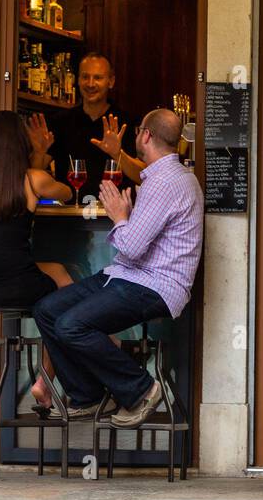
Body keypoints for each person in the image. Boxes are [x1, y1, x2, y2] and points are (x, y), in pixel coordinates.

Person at [33, 109, 202, 428]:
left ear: (146, 135)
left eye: (139, 130)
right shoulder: (165, 176)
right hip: (129, 276)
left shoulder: (165, 183)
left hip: (154, 285)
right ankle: (87, 395)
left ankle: (141, 389)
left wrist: (119, 215)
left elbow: (133, 246)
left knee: (71, 325)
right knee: (47, 310)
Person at [0, 110, 74, 412]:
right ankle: (46, 380)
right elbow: (69, 193)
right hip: (20, 284)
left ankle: (51, 379)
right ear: (20, 144)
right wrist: (41, 156)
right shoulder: (33, 180)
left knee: (58, 272)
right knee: (64, 297)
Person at [28, 52, 139, 193]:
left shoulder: (126, 122)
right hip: (69, 212)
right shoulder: (60, 121)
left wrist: (118, 155)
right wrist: (38, 152)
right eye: (85, 77)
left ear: (111, 81)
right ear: (78, 80)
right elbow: (33, 176)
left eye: (98, 78)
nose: (91, 84)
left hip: (113, 213)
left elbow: (144, 176)